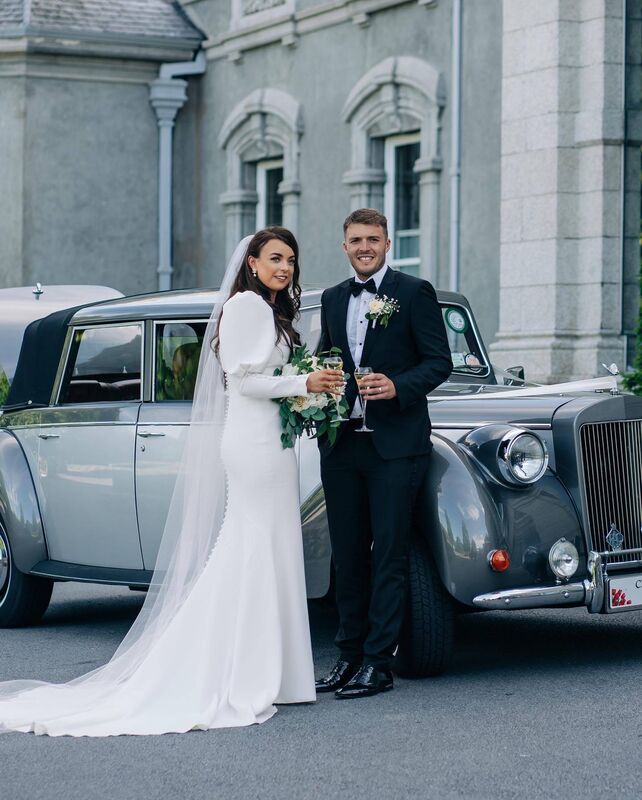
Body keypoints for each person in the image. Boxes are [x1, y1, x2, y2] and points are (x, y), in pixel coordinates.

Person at [0, 227, 339, 736]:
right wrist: (302, 384)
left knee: (274, 547)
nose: (285, 268)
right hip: (252, 444)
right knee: (253, 547)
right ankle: (246, 672)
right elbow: (242, 381)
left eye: (291, 259)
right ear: (251, 260)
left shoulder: (271, 312)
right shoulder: (245, 307)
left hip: (274, 442)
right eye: (275, 258)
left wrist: (306, 393)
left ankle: (278, 673)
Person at [315, 208, 453, 699]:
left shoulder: (414, 293)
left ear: (388, 243)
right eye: (355, 239)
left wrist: (398, 386)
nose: (364, 247)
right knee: (347, 558)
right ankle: (348, 657)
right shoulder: (333, 298)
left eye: (373, 239)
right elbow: (327, 359)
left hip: (395, 448)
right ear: (344, 245)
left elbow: (440, 362)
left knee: (389, 554)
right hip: (342, 446)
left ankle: (379, 663)